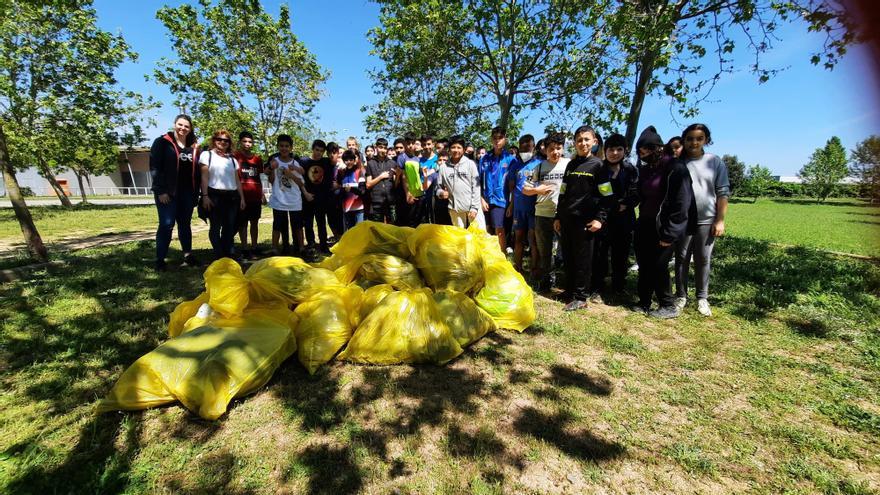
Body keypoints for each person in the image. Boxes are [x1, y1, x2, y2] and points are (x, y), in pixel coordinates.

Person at [633, 126, 695, 318]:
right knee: (644, 263)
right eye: (640, 152)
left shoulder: (675, 168)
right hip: (645, 223)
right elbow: (639, 194)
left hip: (664, 226)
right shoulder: (646, 170)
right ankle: (644, 301)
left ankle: (667, 304)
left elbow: (682, 202)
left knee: (659, 265)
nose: (643, 155)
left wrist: (670, 233)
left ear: (658, 148)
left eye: (646, 151)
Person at [674, 124, 729, 317]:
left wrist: (719, 220)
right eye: (690, 138)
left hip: (706, 219)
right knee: (681, 258)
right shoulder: (678, 163)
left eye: (699, 138)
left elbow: (722, 193)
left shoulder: (714, 162)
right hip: (683, 220)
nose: (694, 142)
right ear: (684, 140)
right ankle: (680, 295)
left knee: (703, 259)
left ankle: (702, 298)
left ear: (706, 139)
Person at [553, 125, 609, 311]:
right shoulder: (571, 164)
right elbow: (563, 192)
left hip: (586, 222)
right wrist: (558, 216)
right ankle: (569, 291)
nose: (582, 143)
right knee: (568, 257)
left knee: (583, 260)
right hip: (567, 219)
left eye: (586, 139)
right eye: (579, 140)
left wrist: (600, 219)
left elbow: (606, 196)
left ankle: (581, 297)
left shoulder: (599, 166)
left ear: (594, 142)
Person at [149, 114, 201, 271]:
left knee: (185, 224)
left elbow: (198, 172)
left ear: (190, 128)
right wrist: (161, 190)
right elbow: (155, 167)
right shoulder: (162, 142)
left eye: (186, 126)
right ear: (174, 124)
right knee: (166, 224)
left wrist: (196, 194)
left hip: (187, 193)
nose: (183, 128)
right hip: (168, 192)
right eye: (180, 125)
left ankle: (187, 255)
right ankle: (160, 259)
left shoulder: (194, 147)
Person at [591, 133, 639, 298]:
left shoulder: (631, 170)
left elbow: (636, 194)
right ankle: (597, 287)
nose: (615, 153)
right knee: (600, 255)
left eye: (619, 149)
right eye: (611, 149)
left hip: (624, 220)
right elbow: (599, 194)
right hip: (603, 219)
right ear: (605, 150)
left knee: (621, 255)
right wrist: (612, 205)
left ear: (625, 151)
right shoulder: (599, 169)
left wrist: (626, 203)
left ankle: (619, 286)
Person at [523, 132, 568, 293]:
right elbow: (525, 189)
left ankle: (569, 283)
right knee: (545, 250)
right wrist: (537, 189)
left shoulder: (570, 164)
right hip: (542, 214)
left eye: (558, 148)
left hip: (563, 215)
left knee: (567, 250)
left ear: (563, 148)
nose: (555, 152)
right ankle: (547, 280)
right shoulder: (539, 167)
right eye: (551, 149)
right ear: (545, 149)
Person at [199, 129, 246, 260]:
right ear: (214, 140)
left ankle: (228, 251)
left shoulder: (232, 160)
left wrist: (242, 198)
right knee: (215, 226)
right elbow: (204, 177)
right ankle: (219, 254)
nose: (222, 142)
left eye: (226, 140)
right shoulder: (206, 155)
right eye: (219, 139)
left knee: (230, 226)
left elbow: (237, 180)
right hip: (214, 195)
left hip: (231, 196)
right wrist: (205, 196)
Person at [268, 134, 310, 255]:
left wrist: (291, 173)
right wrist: (271, 169)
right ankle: (274, 248)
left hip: (294, 200)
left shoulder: (295, 163)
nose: (284, 148)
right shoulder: (274, 162)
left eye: (287, 146)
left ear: (291, 148)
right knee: (277, 226)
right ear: (278, 147)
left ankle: (301, 248)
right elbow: (271, 180)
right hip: (279, 199)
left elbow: (301, 182)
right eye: (281, 146)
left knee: (297, 226)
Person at [506, 134, 541, 277]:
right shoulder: (515, 165)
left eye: (529, 145)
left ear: (534, 147)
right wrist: (511, 206)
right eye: (523, 145)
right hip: (518, 209)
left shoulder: (540, 163)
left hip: (534, 208)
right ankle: (517, 267)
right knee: (518, 239)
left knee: (533, 240)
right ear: (519, 147)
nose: (526, 148)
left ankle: (534, 269)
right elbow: (512, 188)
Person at [436, 135, 484, 228]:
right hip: (454, 210)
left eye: (459, 147)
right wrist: (440, 193)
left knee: (479, 236)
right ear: (449, 150)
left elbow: (476, 187)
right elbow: (438, 187)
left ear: (463, 149)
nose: (456, 150)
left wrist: (474, 208)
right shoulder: (443, 167)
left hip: (473, 209)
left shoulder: (470, 164)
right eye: (453, 147)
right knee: (460, 238)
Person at [480, 126, 515, 250]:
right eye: (494, 138)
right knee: (487, 229)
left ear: (505, 139)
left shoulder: (510, 159)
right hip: (486, 200)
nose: (497, 141)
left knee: (499, 229)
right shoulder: (484, 158)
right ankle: (489, 257)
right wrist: (481, 199)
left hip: (501, 201)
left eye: (500, 138)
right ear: (491, 140)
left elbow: (513, 185)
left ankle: (502, 258)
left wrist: (511, 204)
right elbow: (478, 181)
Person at [234, 131, 265, 259]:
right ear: (240, 142)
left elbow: (262, 177)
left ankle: (254, 246)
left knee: (254, 222)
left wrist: (264, 194)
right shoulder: (236, 156)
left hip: (256, 196)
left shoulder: (257, 159)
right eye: (245, 141)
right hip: (242, 196)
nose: (247, 144)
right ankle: (245, 248)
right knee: (243, 223)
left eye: (250, 142)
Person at [301, 139, 333, 254]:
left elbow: (336, 156)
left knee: (321, 223)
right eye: (317, 150)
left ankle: (324, 246)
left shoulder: (326, 162)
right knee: (308, 223)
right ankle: (311, 245)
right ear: (313, 149)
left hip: (321, 198)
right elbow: (299, 179)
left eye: (321, 151)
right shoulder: (304, 161)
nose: (319, 152)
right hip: (307, 198)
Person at [365, 138, 399, 224]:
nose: (383, 150)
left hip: (391, 201)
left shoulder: (392, 163)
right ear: (376, 147)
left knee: (393, 227)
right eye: (380, 147)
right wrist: (380, 177)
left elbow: (395, 185)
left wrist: (398, 176)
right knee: (378, 228)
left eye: (384, 147)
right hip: (377, 202)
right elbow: (368, 185)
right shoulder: (370, 163)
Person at [339, 149, 367, 231]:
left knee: (360, 232)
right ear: (344, 161)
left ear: (355, 160)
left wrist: (351, 189)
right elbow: (341, 191)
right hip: (346, 208)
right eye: (346, 160)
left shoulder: (359, 172)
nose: (349, 162)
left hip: (359, 209)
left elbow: (362, 191)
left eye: (351, 159)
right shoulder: (342, 173)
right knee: (351, 233)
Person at [419, 135, 439, 223]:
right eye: (424, 144)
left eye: (429, 144)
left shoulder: (439, 159)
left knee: (435, 220)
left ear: (433, 144)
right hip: (421, 194)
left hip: (435, 195)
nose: (427, 147)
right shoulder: (419, 160)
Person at [433, 149, 452, 225]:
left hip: (452, 205)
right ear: (437, 161)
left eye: (445, 160)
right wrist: (440, 192)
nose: (442, 162)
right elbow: (436, 188)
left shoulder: (453, 172)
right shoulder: (434, 174)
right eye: (440, 160)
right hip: (439, 204)